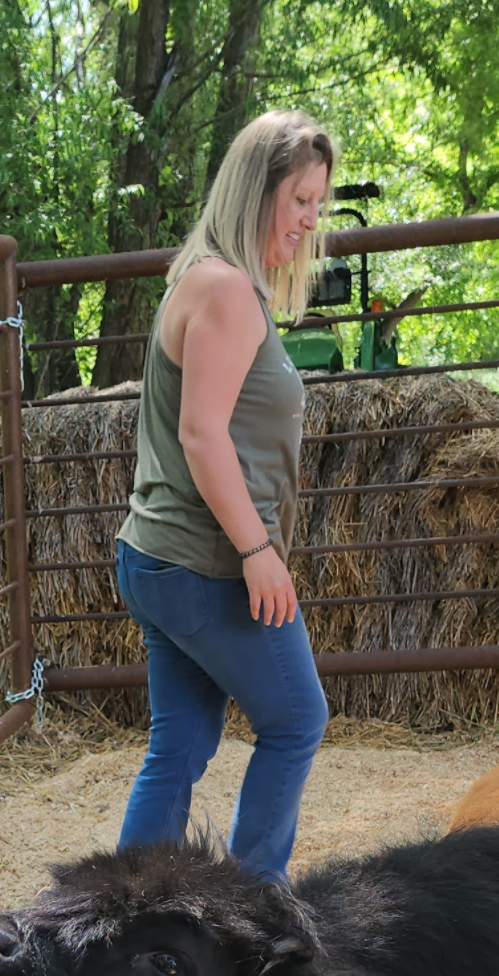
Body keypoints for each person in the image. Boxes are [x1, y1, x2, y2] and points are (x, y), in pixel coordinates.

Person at [114, 111, 335, 881]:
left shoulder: (204, 279)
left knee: (180, 742)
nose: (311, 221)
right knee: (299, 720)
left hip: (161, 559)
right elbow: (204, 435)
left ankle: (124, 912)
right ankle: (254, 908)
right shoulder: (227, 291)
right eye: (300, 200)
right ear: (257, 190)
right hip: (204, 561)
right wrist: (258, 551)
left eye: (318, 204)